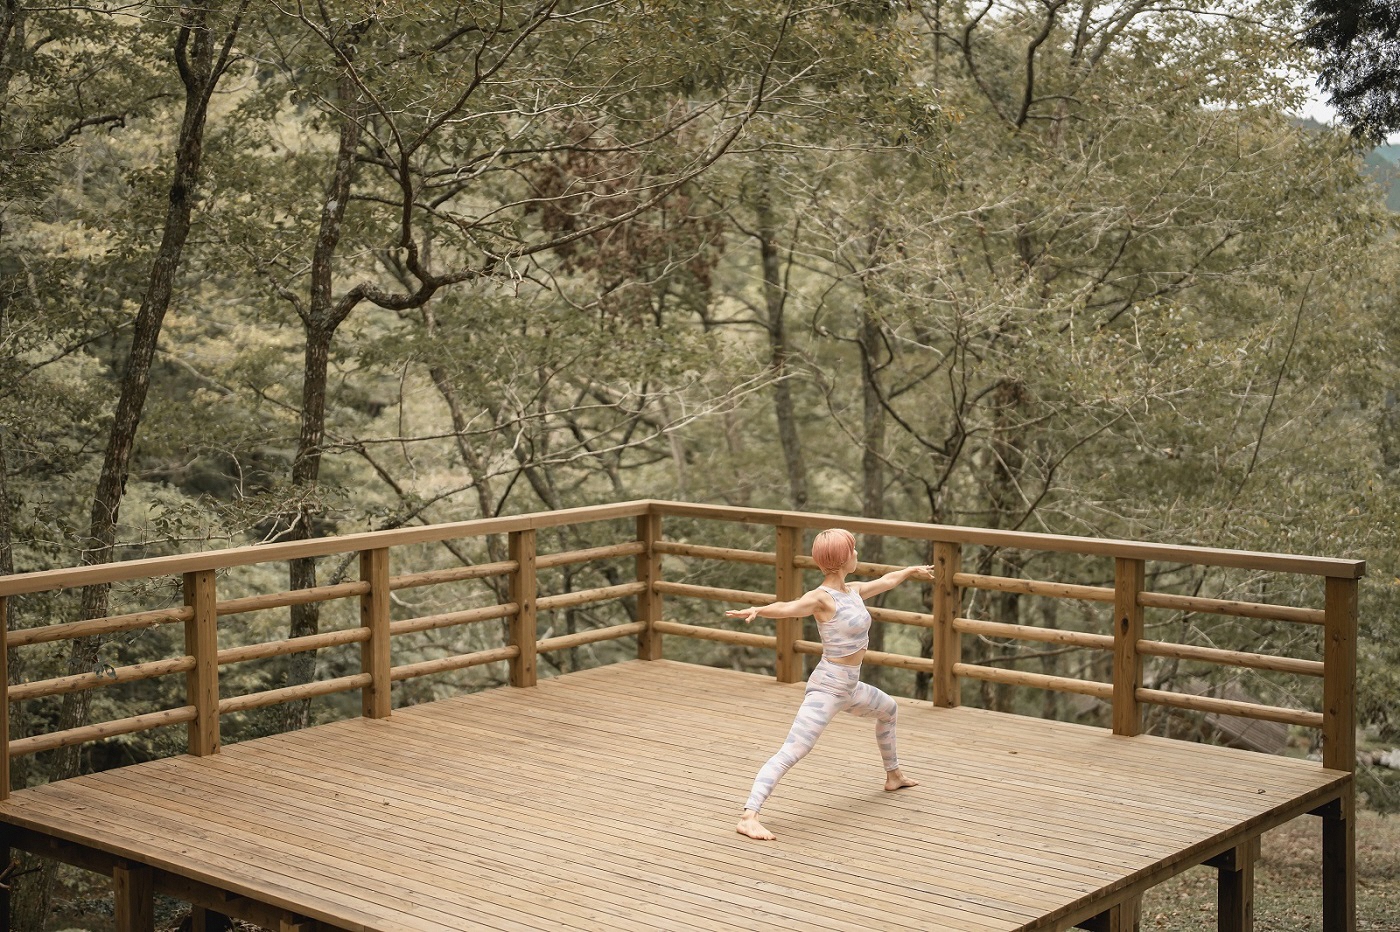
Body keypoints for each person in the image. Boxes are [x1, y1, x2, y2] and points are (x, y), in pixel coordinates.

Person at [725, 528, 934, 841]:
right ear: (842, 559)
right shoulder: (821, 598)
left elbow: (886, 581)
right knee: (794, 750)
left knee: (889, 709)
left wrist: (908, 571)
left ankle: (894, 775)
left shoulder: (853, 591)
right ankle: (749, 815)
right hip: (828, 688)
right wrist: (759, 609)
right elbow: (787, 606)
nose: (857, 554)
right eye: (854, 550)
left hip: (849, 687)